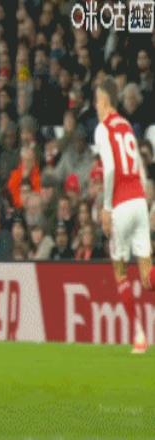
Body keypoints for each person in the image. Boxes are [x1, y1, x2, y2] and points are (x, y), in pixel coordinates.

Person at [95, 76, 155, 354]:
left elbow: (109, 169)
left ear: (105, 100)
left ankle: (139, 335)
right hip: (139, 201)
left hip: (120, 205)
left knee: (120, 272)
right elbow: (139, 166)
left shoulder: (103, 128)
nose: (96, 106)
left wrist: (107, 207)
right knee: (147, 276)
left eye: (97, 101)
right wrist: (148, 202)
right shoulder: (127, 125)